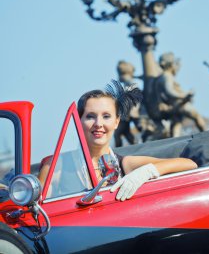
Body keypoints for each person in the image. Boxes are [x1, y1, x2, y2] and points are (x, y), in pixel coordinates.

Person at [39, 80, 197, 201]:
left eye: (106, 116)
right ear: (78, 121)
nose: (98, 124)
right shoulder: (55, 166)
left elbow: (190, 164)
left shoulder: (125, 164)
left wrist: (147, 171)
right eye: (90, 116)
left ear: (116, 122)